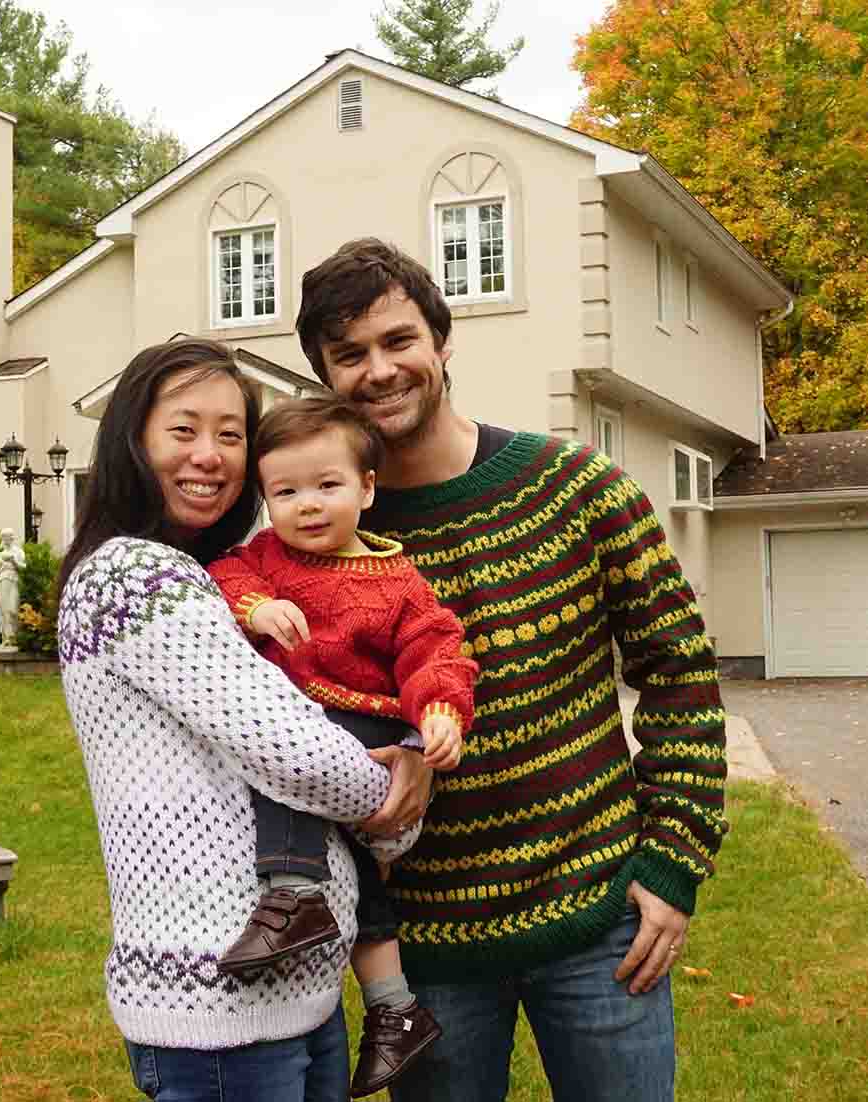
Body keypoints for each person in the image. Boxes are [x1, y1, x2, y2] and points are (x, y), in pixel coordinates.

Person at [294, 239, 729, 1102]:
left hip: (601, 924)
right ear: (324, 376)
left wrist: (672, 862)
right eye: (349, 354)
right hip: (424, 950)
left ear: (443, 342)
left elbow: (680, 671)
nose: (379, 371)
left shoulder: (578, 487)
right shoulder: (316, 545)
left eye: (398, 340)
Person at [55, 337, 409, 1102]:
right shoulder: (133, 577)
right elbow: (296, 751)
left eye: (231, 434)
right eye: (183, 430)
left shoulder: (216, 579)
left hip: (296, 994)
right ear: (132, 440)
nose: (209, 456)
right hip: (217, 1010)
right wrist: (398, 799)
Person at [208, 395, 478, 1098]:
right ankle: (394, 1008)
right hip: (303, 726)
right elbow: (227, 575)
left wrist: (440, 715)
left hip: (368, 731)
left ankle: (293, 894)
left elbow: (436, 653)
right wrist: (258, 608)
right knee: (357, 874)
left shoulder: (398, 584)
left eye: (327, 485)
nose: (307, 505)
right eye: (285, 493)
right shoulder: (266, 558)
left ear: (367, 488)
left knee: (291, 756)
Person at [0, 528, 26, 649]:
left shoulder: (19, 552)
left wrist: (14, 561)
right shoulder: (0, 555)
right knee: (4, 610)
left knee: (13, 609)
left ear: (12, 537)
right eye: (4, 537)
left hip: (13, 580)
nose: (5, 539)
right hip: (2, 581)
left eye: (7, 536)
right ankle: (6, 639)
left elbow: (23, 567)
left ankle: (14, 637)